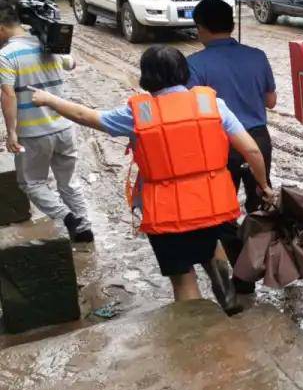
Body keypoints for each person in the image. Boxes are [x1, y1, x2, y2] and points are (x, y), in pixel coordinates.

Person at [30, 45, 271, 313]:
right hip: (213, 205)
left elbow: (85, 116)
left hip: (165, 212)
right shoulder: (212, 105)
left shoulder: (138, 114)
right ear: (184, 71)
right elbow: (250, 150)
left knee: (183, 279)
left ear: (147, 77)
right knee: (213, 249)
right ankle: (228, 302)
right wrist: (264, 186)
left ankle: (197, 336)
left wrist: (49, 99)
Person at [0, 4, 92, 242]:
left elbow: (8, 94)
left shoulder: (6, 55)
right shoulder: (48, 42)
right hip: (64, 127)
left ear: (1, 28)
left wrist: (11, 133)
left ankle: (67, 218)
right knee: (69, 182)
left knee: (31, 183)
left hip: (32, 133)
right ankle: (85, 229)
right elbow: (72, 64)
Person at [187, 0, 276, 213]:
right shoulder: (257, 56)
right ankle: (260, 246)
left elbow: (192, 111)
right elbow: (271, 102)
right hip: (258, 140)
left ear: (200, 28)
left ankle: (229, 246)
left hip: (219, 144)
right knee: (262, 205)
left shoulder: (193, 64)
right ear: (232, 25)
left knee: (222, 208)